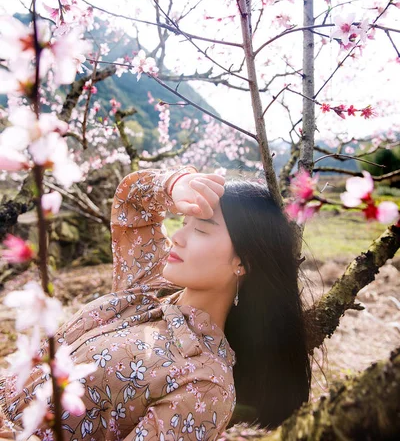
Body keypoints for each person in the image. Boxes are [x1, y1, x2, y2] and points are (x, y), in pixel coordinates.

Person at [0, 165, 311, 440]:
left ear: (243, 262)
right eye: (185, 222)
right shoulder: (150, 286)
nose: (178, 237)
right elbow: (132, 203)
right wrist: (174, 184)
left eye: (201, 229)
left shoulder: (205, 385)